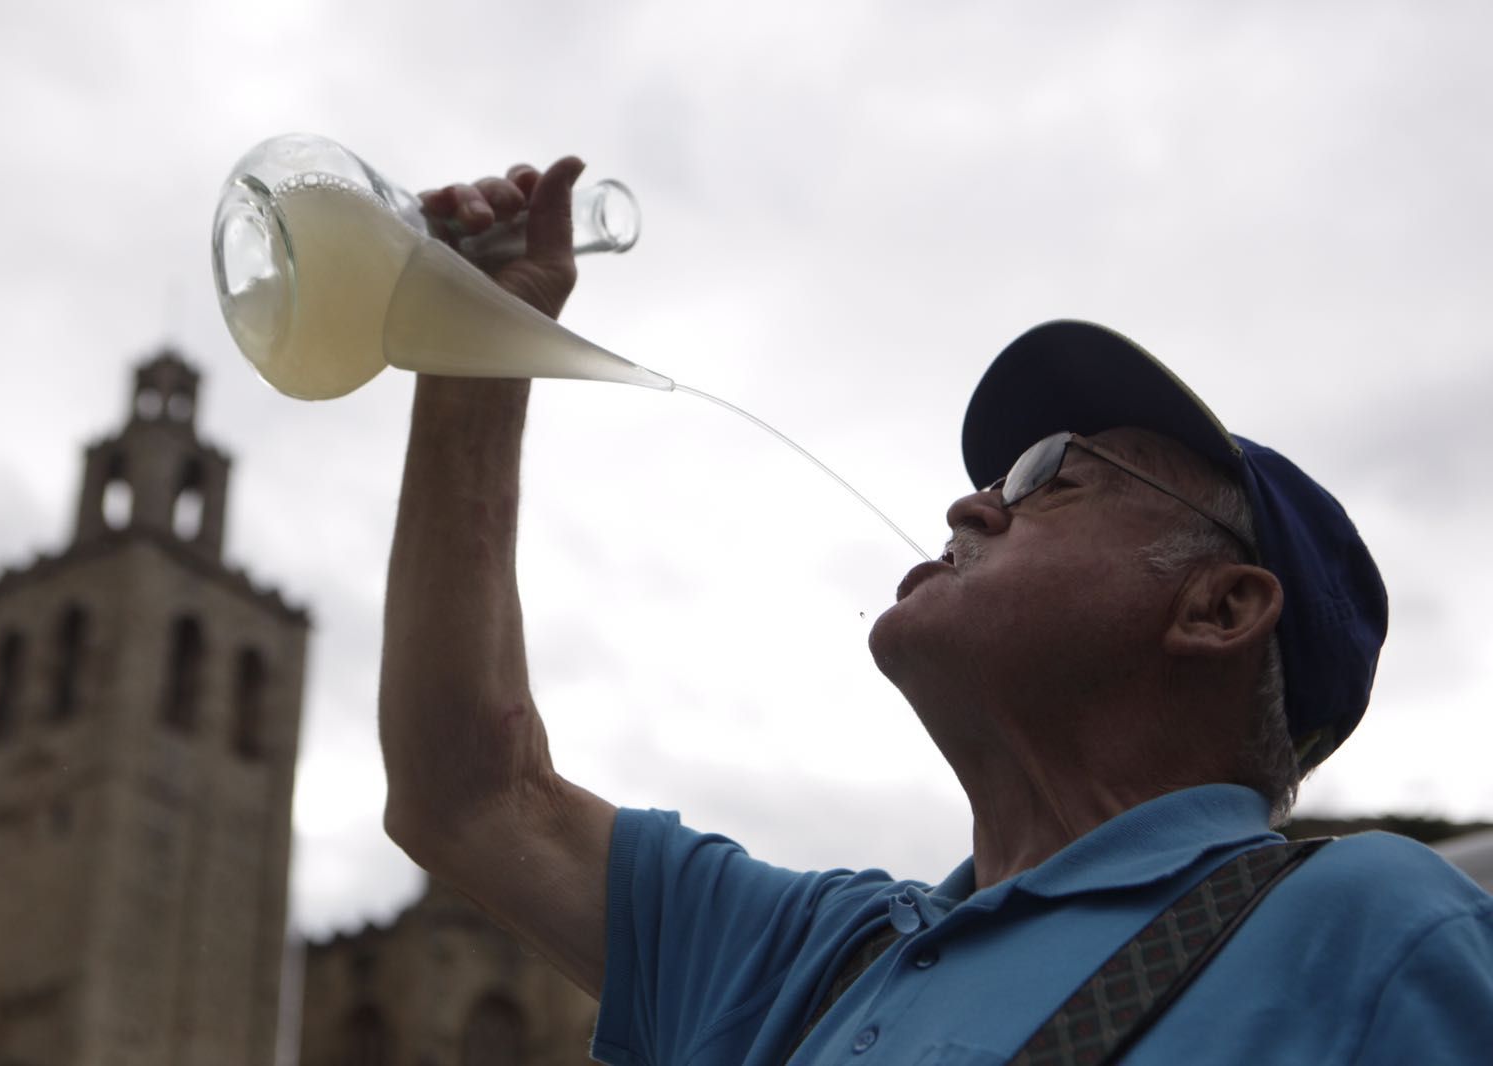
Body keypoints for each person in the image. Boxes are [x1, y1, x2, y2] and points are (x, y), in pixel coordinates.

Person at [377, 158, 1493, 1064]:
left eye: (1052, 475)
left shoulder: (1369, 925)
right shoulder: (815, 954)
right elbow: (471, 794)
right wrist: (477, 348)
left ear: (1219, 608)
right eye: (994, 477)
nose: (970, 502)